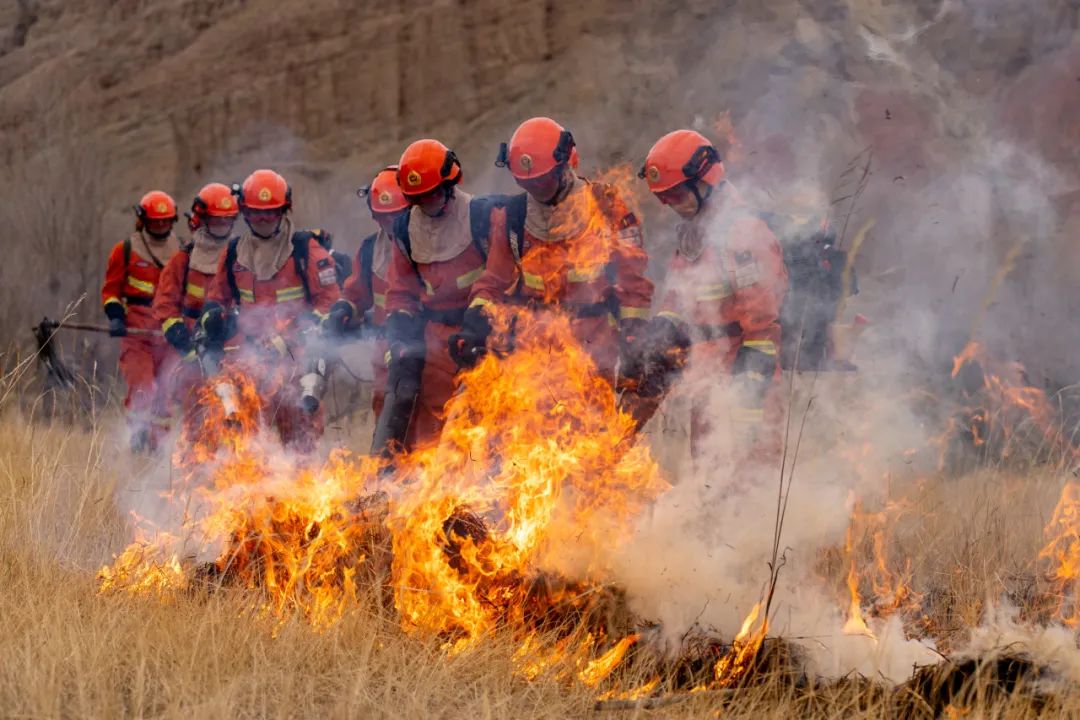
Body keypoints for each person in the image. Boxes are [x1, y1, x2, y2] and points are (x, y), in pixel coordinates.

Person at [452, 117, 653, 394]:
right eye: (529, 184)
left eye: (543, 182)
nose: (537, 190)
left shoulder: (606, 208)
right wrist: (475, 321)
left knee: (588, 435)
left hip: (593, 353)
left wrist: (633, 336)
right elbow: (493, 282)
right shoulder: (513, 217)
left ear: (564, 164)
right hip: (529, 356)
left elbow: (633, 282)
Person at [640, 129, 788, 466]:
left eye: (677, 194)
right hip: (706, 377)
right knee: (707, 488)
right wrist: (661, 329)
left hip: (745, 381)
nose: (672, 205)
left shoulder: (743, 235)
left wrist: (747, 399)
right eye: (664, 198)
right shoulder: (693, 234)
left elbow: (763, 328)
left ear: (705, 178)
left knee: (746, 488)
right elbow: (679, 297)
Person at [200, 169, 346, 452]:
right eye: (256, 214)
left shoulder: (306, 251)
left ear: (284, 211)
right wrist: (211, 317)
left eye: (271, 213)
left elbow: (330, 301)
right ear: (244, 212)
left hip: (298, 361)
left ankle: (303, 494)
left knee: (302, 445)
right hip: (251, 363)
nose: (263, 220)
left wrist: (294, 336)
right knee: (251, 446)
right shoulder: (233, 254)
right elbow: (218, 297)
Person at [375, 139, 496, 453]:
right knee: (431, 431)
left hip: (484, 333)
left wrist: (481, 326)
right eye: (420, 200)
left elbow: (501, 277)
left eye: (433, 195)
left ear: (450, 183)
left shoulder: (481, 217)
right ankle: (429, 496)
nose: (428, 204)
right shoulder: (404, 231)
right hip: (436, 343)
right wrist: (400, 334)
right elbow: (400, 293)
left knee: (488, 423)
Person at [101, 190, 180, 452]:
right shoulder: (124, 251)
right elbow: (111, 291)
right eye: (155, 221)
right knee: (143, 387)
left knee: (164, 396)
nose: (160, 225)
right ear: (142, 220)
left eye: (165, 220)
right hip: (136, 335)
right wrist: (115, 317)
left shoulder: (181, 252)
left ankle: (158, 449)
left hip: (168, 337)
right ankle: (136, 440)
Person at [154, 183, 239, 417]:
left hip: (233, 346)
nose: (223, 226)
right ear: (202, 219)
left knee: (240, 412)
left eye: (227, 220)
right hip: (195, 348)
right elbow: (165, 305)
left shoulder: (242, 256)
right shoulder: (183, 260)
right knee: (198, 413)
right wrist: (184, 343)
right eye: (216, 220)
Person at [343, 165, 410, 419]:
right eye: (383, 216)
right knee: (386, 415)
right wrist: (344, 307)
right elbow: (356, 295)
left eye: (396, 215)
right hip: (385, 352)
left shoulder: (430, 244)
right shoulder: (371, 249)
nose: (390, 222)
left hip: (424, 347)